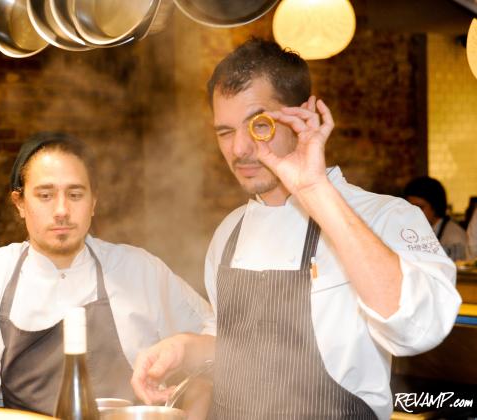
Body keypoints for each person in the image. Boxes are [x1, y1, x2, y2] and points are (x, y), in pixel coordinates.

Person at [131, 38, 461, 420]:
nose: (238, 148)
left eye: (258, 124)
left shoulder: (384, 215)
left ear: (302, 114)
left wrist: (314, 190)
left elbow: (419, 329)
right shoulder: (230, 231)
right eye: (224, 131)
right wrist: (186, 348)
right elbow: (239, 349)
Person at [0, 132, 215, 416]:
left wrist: (194, 410)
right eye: (45, 195)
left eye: (75, 194)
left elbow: (216, 342)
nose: (62, 210)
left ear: (93, 203)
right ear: (20, 203)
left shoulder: (138, 270)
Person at [403, 176, 468, 261]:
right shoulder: (414, 232)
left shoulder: (454, 238)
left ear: (435, 206)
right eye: (410, 208)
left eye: (419, 207)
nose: (413, 213)